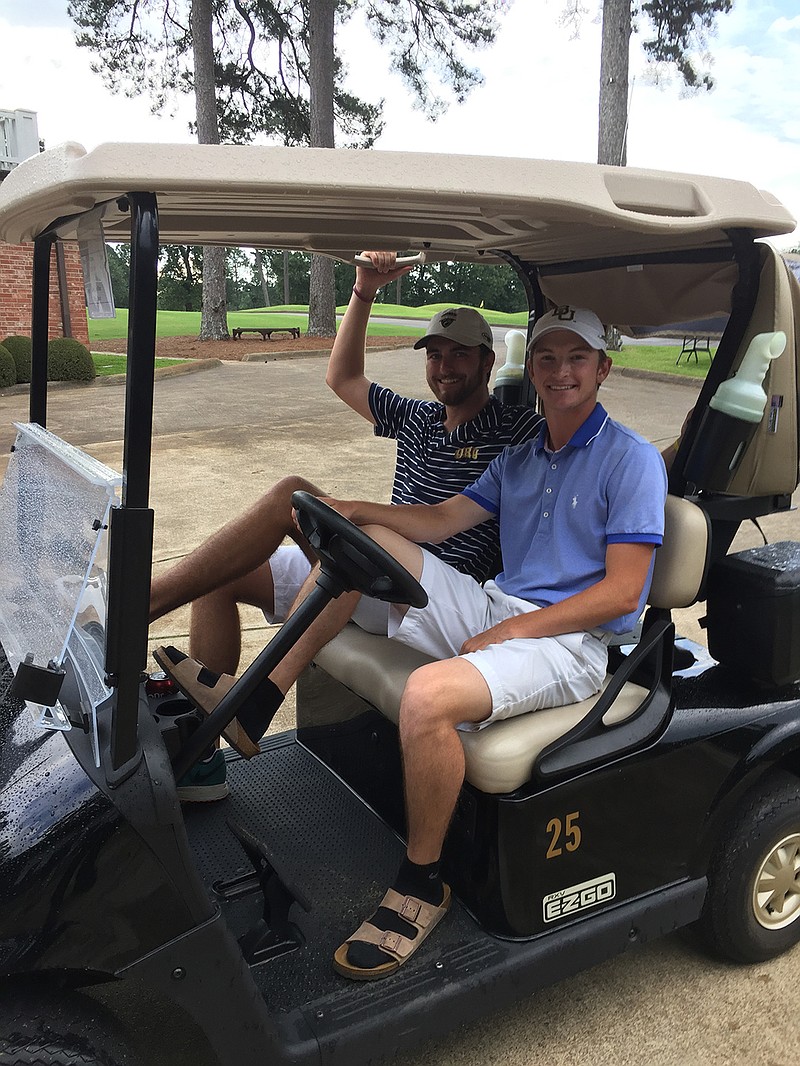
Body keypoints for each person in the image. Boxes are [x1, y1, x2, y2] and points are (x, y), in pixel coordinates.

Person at [156, 304, 668, 978]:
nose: (560, 371)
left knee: (426, 697)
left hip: (569, 641)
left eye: (576, 358)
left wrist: (514, 626)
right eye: (548, 358)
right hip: (496, 604)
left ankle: (422, 880)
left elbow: (622, 593)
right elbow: (438, 519)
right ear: (534, 369)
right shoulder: (522, 455)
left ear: (602, 368)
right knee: (361, 548)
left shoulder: (629, 460)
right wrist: (356, 511)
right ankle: (255, 702)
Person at [153, 251, 543, 799]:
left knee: (346, 548)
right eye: (435, 355)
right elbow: (343, 376)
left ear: (487, 363)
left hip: (428, 595)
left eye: (460, 355)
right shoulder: (418, 418)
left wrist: (681, 448)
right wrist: (362, 291)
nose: (444, 366)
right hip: (373, 571)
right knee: (237, 564)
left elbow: (593, 451)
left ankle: (220, 671)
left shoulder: (517, 429)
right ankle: (202, 751)